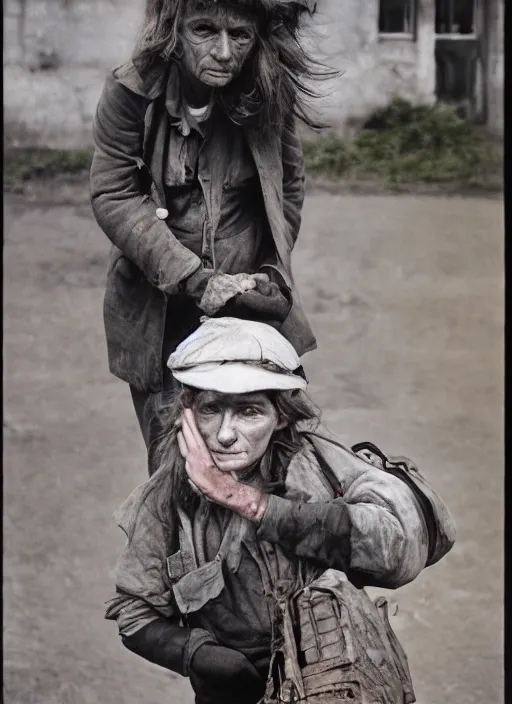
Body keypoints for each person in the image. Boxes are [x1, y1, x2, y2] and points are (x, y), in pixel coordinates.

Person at [106, 317, 456, 704]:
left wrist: (249, 502)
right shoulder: (168, 495)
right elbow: (134, 610)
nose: (225, 433)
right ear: (186, 413)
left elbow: (403, 551)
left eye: (249, 412)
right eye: (211, 409)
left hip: (341, 683)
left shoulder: (321, 466)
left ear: (282, 416)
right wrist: (201, 656)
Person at [89, 0, 324, 452]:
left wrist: (272, 272)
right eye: (203, 30)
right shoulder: (131, 91)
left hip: (250, 306)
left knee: (267, 457)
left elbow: (287, 186)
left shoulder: (268, 90)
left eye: (239, 35)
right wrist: (194, 279)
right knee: (176, 465)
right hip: (161, 315)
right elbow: (113, 193)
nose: (223, 52)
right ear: (173, 30)